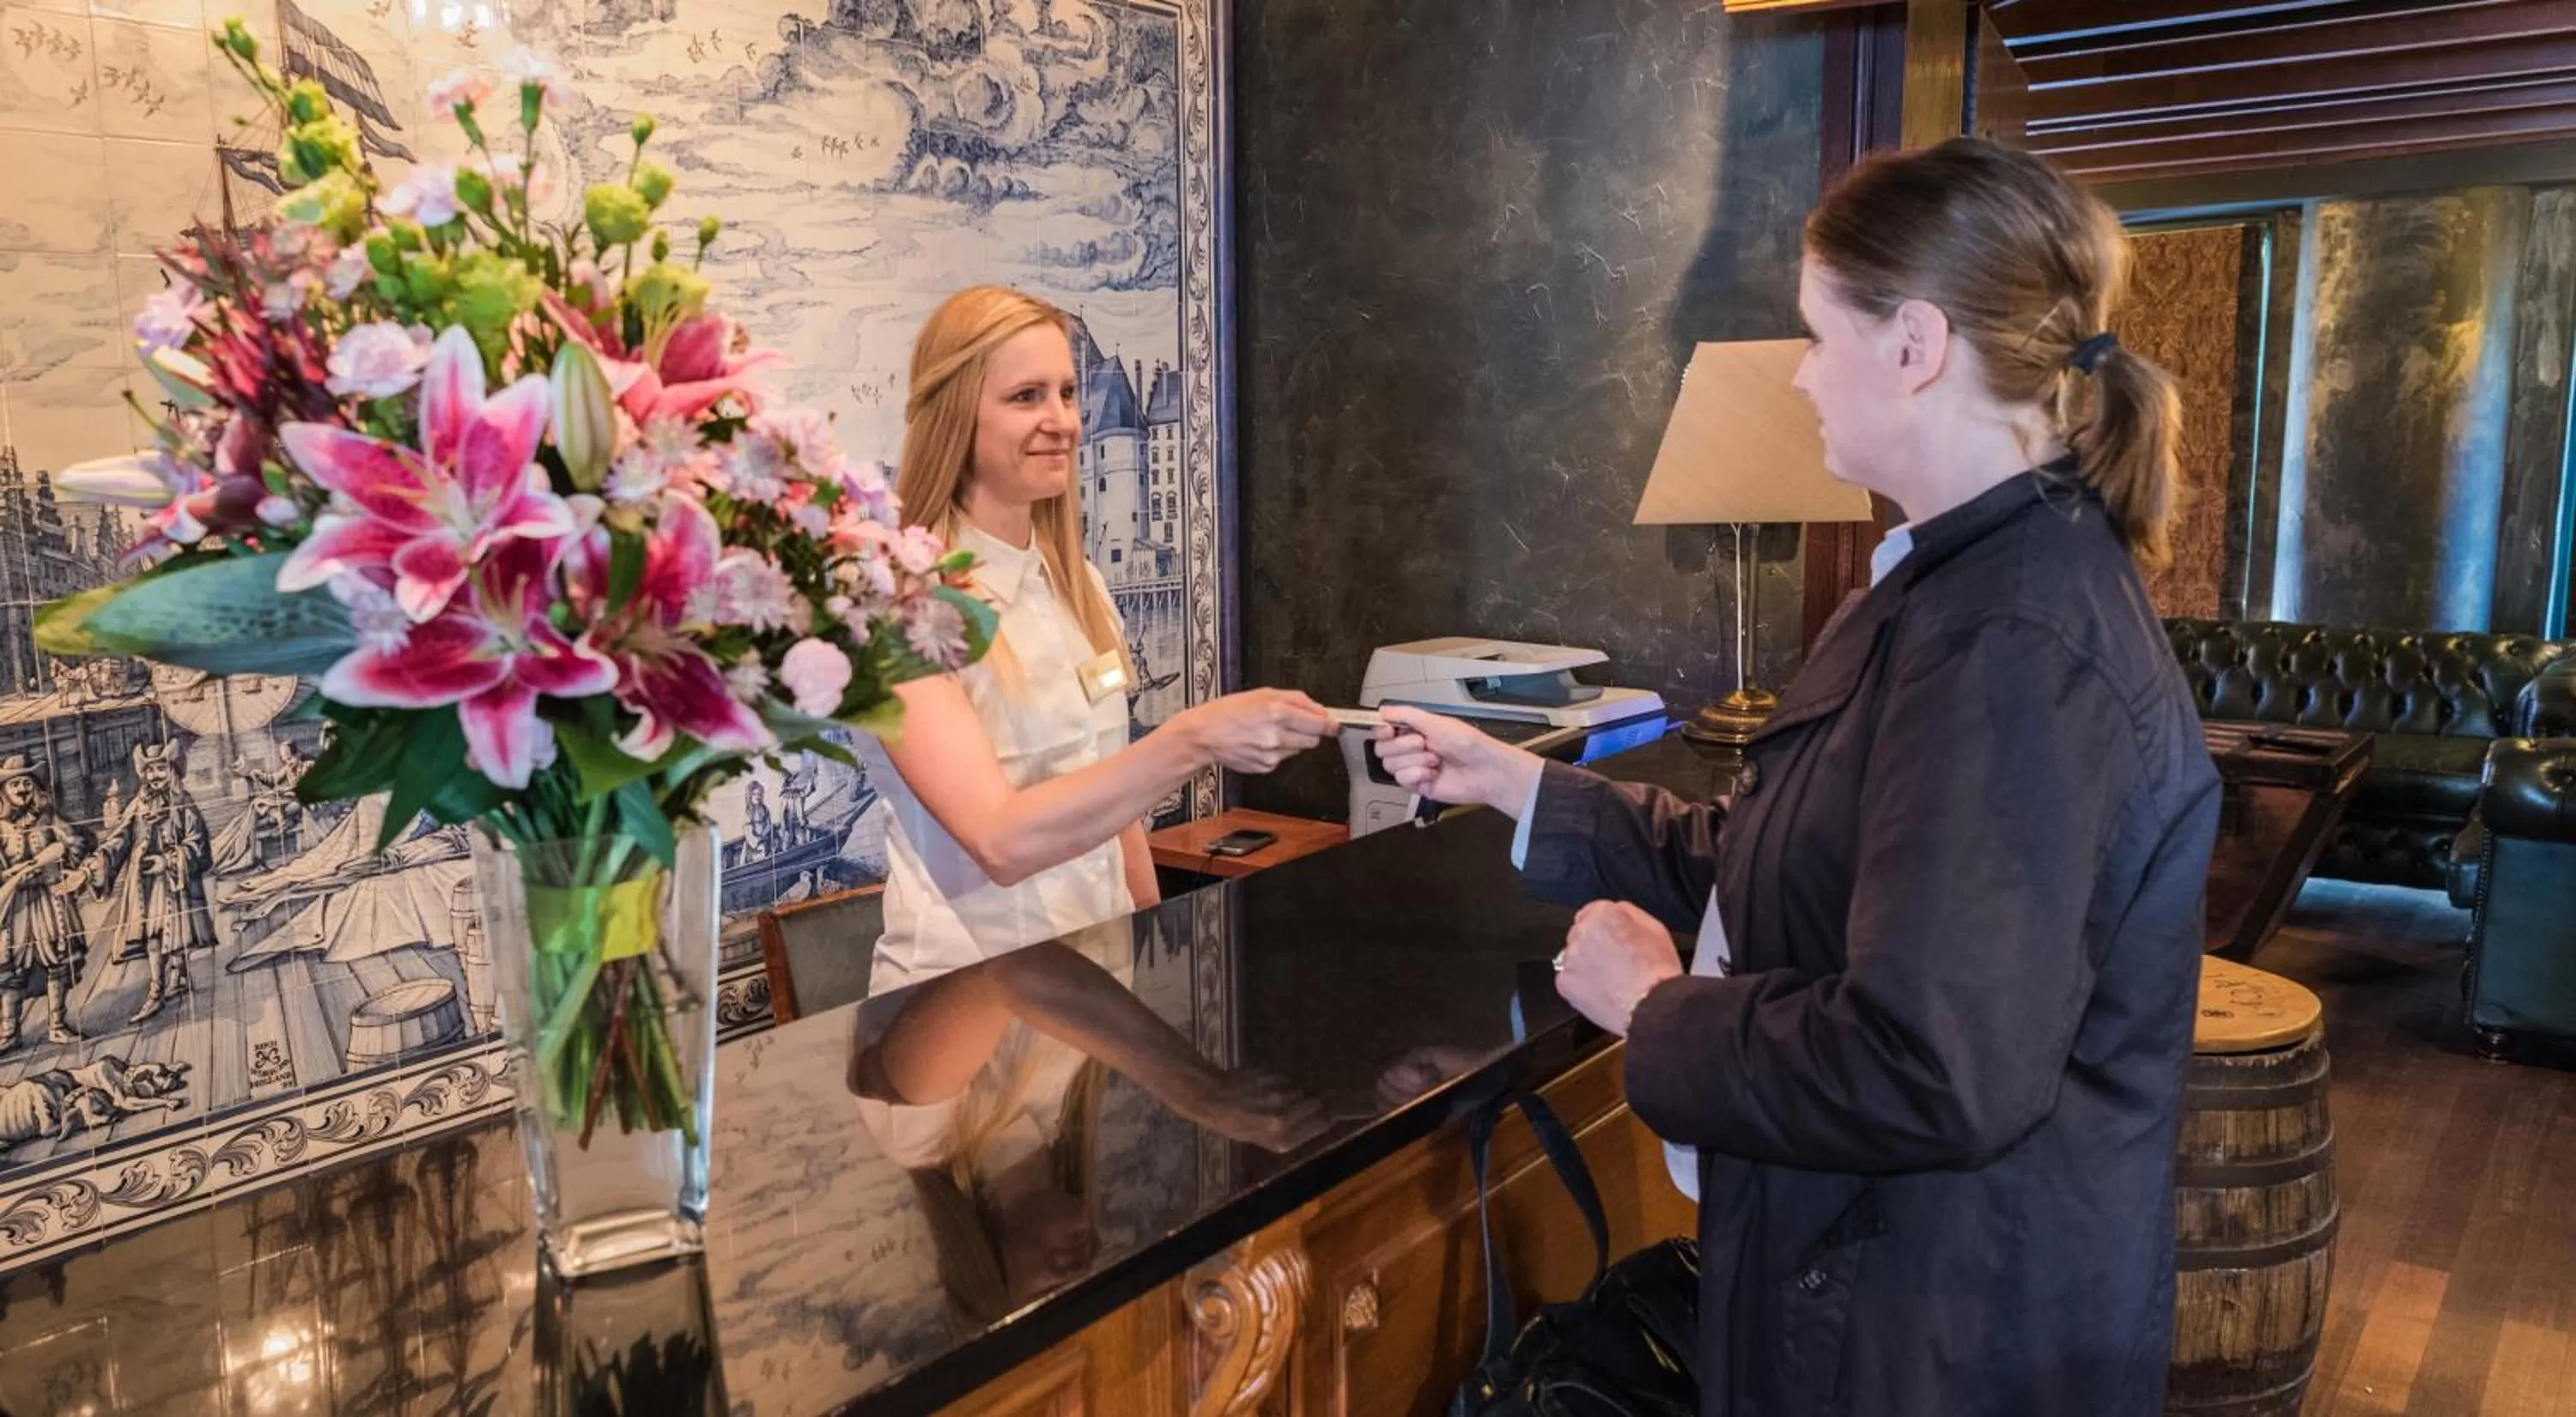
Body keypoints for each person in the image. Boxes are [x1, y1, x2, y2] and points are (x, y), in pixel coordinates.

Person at [1377, 138, 2222, 1416]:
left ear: (1916, 344)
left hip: (1937, 1334)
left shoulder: (2014, 645)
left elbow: (1928, 1062)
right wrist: (1519, 785)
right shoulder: (1951, 587)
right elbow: (1797, 866)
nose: (1803, 373)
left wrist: (1655, 1008)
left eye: (1820, 335)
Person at [859, 285, 1333, 990]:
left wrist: (1148, 937)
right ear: (955, 412)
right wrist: (1192, 739)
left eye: (1067, 393)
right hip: (960, 1004)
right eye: (1026, 397)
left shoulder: (1079, 585)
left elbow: (1111, 800)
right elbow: (1000, 841)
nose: (1062, 421)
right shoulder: (902, 608)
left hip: (1094, 989)